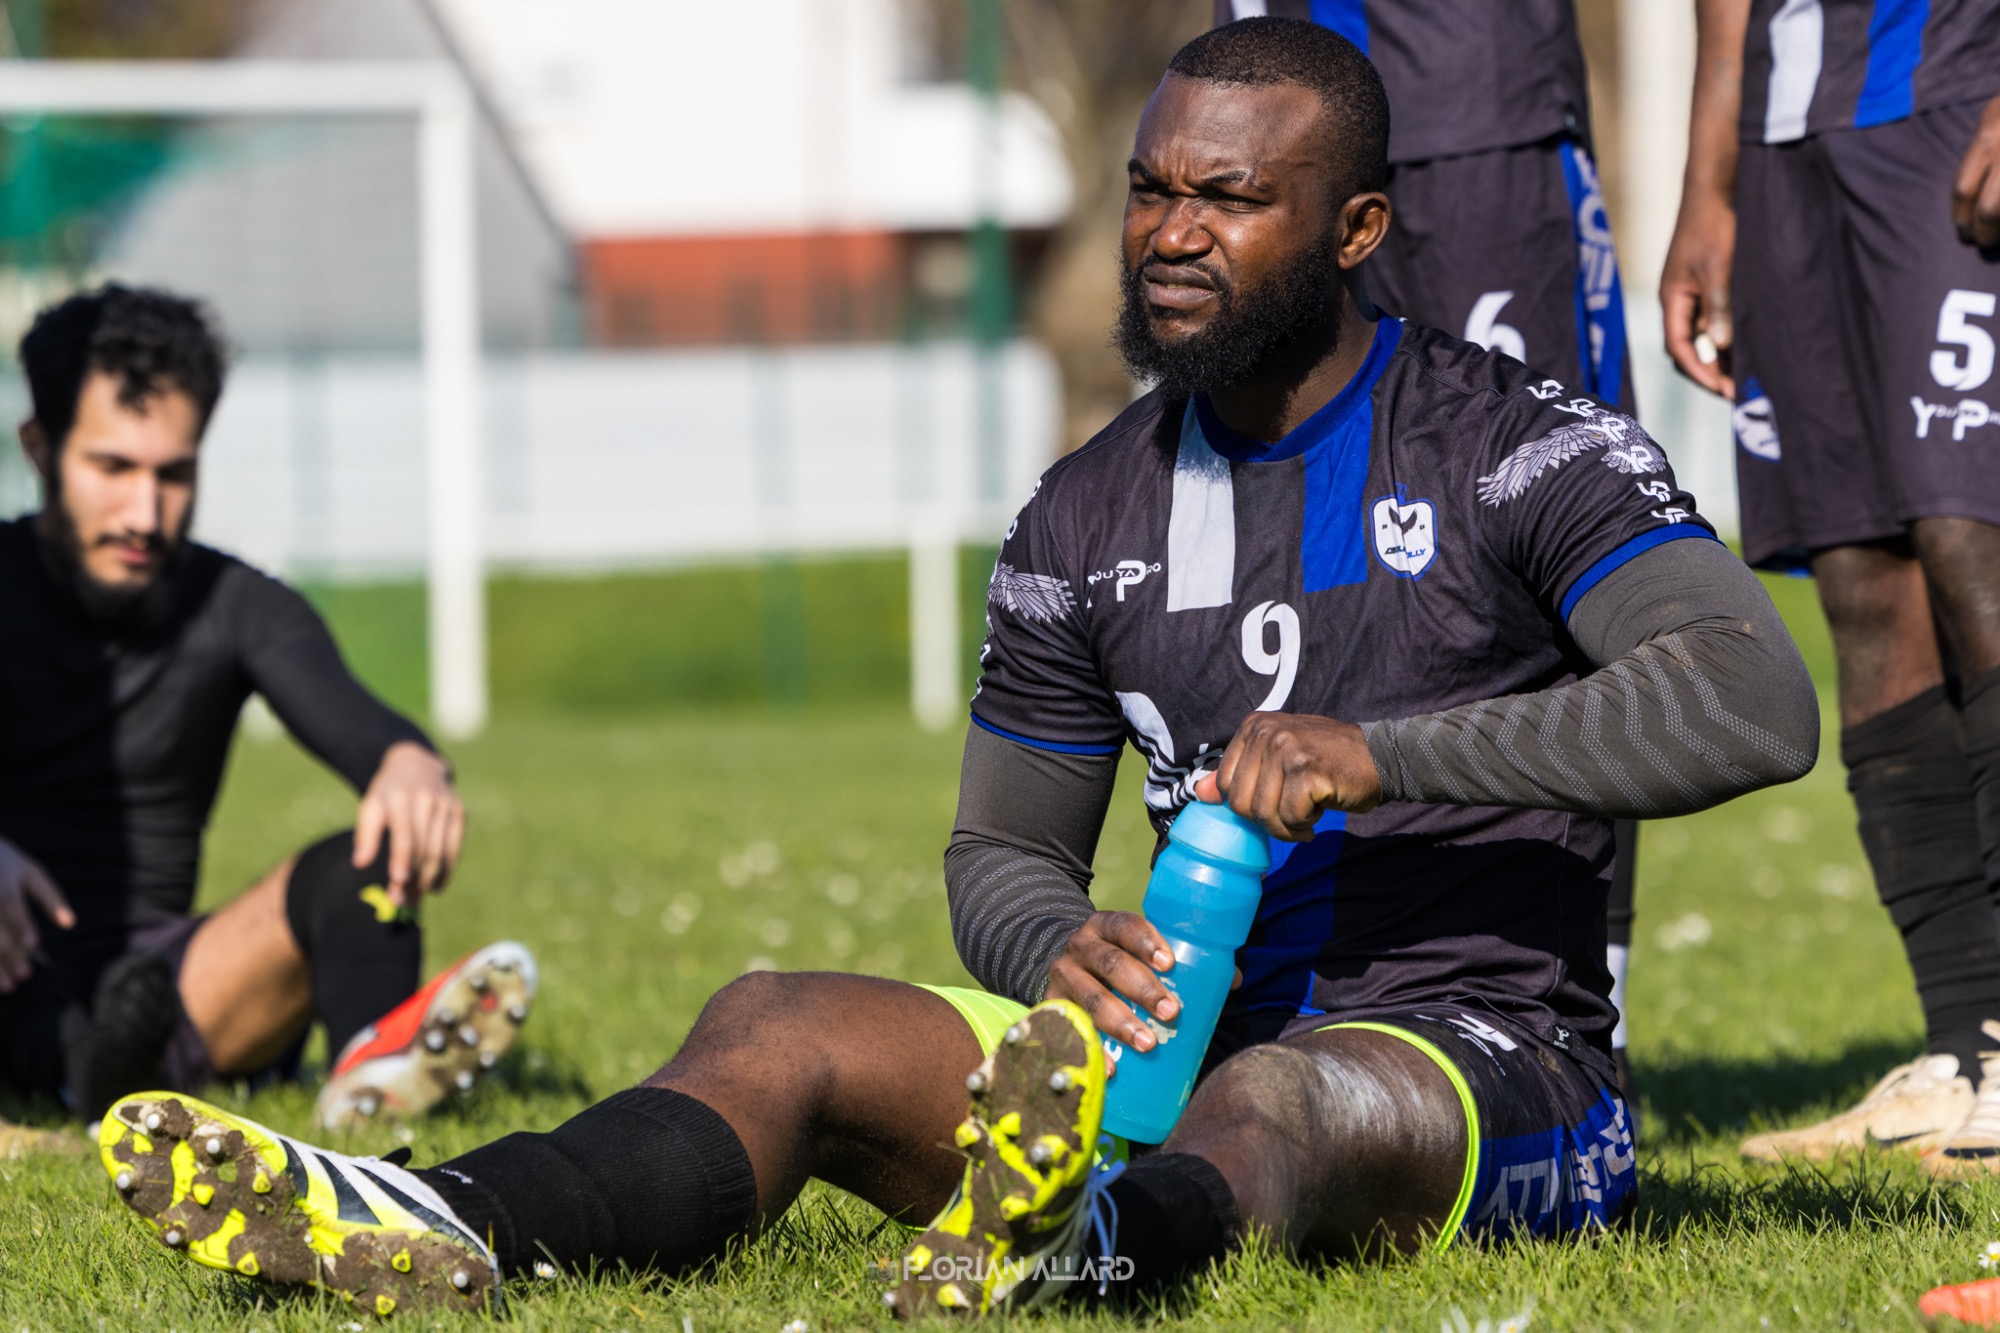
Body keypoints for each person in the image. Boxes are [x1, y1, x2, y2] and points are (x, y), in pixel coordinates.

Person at [95, 20, 1817, 1318]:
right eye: (1152, 187)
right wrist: (1055, 941)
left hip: (1481, 1063)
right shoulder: (1082, 513)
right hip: (1154, 1060)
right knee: (777, 1021)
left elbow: (1753, 695)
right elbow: (1000, 849)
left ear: (1357, 229)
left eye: (1232, 198)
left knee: (1278, 1097)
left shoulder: (1516, 444)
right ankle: (443, 1216)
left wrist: (1388, 751)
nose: (1173, 231)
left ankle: (1081, 1242)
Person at [1214, 0, 1647, 1096]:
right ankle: (1329, 981)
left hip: (1474, 116)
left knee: (1551, 561)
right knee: (1314, 558)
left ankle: (1592, 1017)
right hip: (1269, 132)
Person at [0, 284, 535, 1131]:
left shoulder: (236, 604)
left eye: (174, 474)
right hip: (11, 965)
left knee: (366, 859)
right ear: (40, 448)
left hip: (175, 991)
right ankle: (88, 1073)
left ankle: (367, 1094)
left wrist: (408, 763)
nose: (144, 512)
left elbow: (361, 722)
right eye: (113, 468)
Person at [1660, 0, 2000, 1172]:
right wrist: (1708, 188)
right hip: (1786, 134)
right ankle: (1961, 1045)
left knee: (1974, 540)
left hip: (1952, 84)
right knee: (1859, 578)